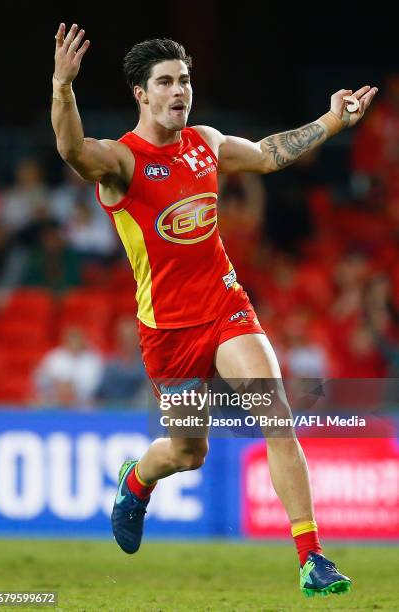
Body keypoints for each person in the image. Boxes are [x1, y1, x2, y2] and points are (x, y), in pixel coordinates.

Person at [51, 22, 377, 598]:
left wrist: (331, 121)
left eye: (185, 80)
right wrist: (63, 86)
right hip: (168, 334)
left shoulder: (205, 142)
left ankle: (311, 558)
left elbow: (269, 155)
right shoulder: (122, 162)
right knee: (188, 451)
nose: (180, 91)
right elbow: (72, 149)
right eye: (166, 82)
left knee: (276, 415)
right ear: (141, 94)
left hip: (226, 308)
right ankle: (136, 480)